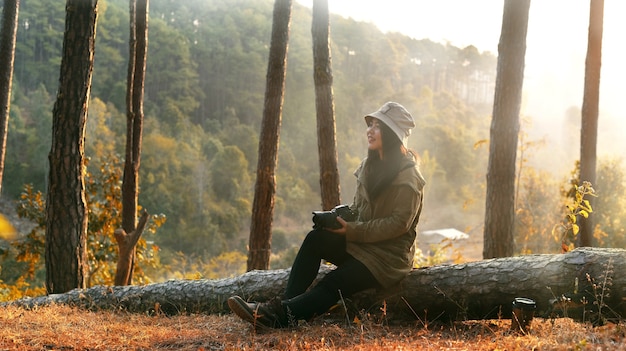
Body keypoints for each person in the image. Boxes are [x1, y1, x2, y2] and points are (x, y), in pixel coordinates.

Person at [228, 101, 426, 329]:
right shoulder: (369, 166)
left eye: (378, 126)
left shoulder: (408, 176)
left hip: (387, 258)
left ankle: (280, 316)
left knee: (336, 280)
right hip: (364, 246)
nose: (370, 130)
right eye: (370, 124)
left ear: (393, 134)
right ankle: (281, 305)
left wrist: (352, 231)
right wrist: (338, 218)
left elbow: (398, 224)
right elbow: (360, 209)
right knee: (315, 239)